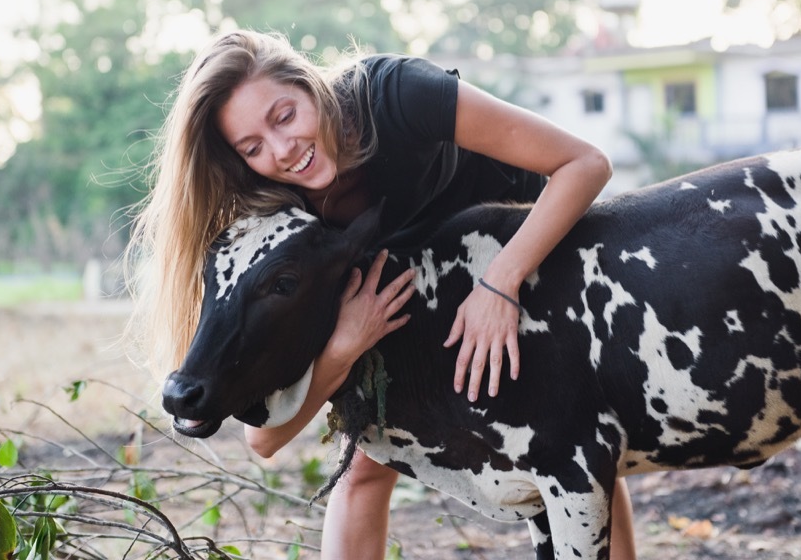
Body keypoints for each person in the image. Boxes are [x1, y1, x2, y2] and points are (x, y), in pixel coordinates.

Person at [128, 29, 636, 559]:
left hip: (527, 256)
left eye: (284, 117)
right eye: (252, 147)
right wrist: (345, 345)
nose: (283, 151)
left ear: (309, 86)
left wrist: (499, 284)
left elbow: (585, 163)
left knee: (566, 439)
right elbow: (264, 440)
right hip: (407, 288)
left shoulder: (398, 93)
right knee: (365, 463)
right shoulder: (278, 210)